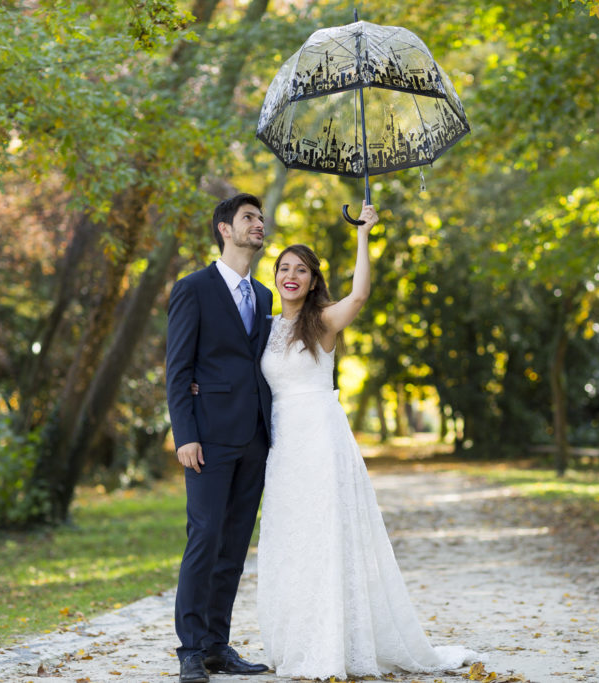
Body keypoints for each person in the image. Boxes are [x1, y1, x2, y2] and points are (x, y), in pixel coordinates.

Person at [254, 202, 479, 679]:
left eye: (301, 270)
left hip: (320, 439)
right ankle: (296, 641)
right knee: (290, 541)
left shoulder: (324, 322)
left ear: (314, 281)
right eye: (284, 268)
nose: (291, 275)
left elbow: (359, 294)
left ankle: (333, 643)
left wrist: (363, 234)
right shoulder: (268, 328)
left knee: (325, 537)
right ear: (276, 276)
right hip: (284, 447)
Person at [165, 193, 273, 683]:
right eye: (249, 218)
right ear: (224, 229)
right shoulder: (193, 288)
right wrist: (184, 434)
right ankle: (189, 648)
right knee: (204, 538)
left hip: (254, 439)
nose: (259, 224)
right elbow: (177, 369)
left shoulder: (266, 296)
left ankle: (216, 646)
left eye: (260, 218)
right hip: (206, 439)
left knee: (233, 546)